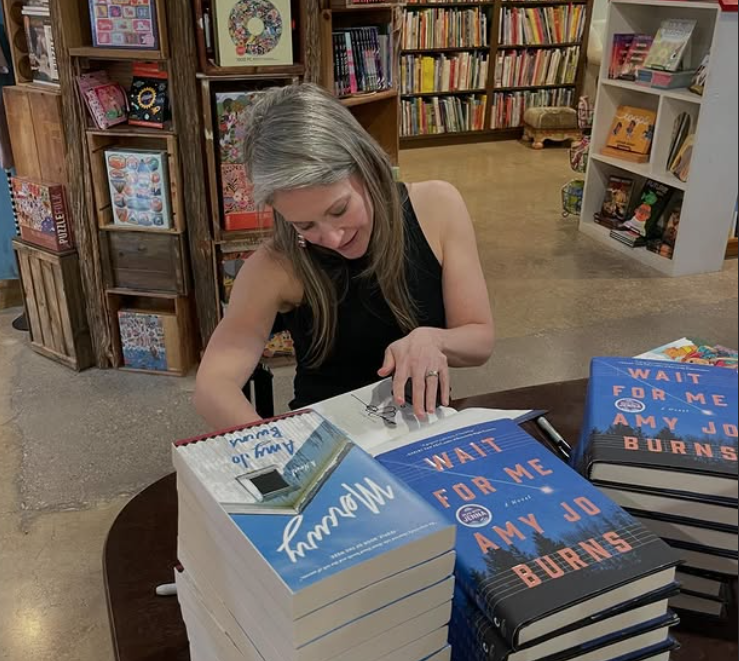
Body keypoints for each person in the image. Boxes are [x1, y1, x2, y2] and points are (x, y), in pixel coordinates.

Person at [194, 83, 494, 430]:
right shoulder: (275, 265)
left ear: (366, 166)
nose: (333, 238)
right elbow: (212, 385)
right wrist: (275, 443)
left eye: (339, 209)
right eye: (305, 225)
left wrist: (434, 339)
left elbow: (480, 339)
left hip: (423, 428)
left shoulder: (437, 207)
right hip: (324, 435)